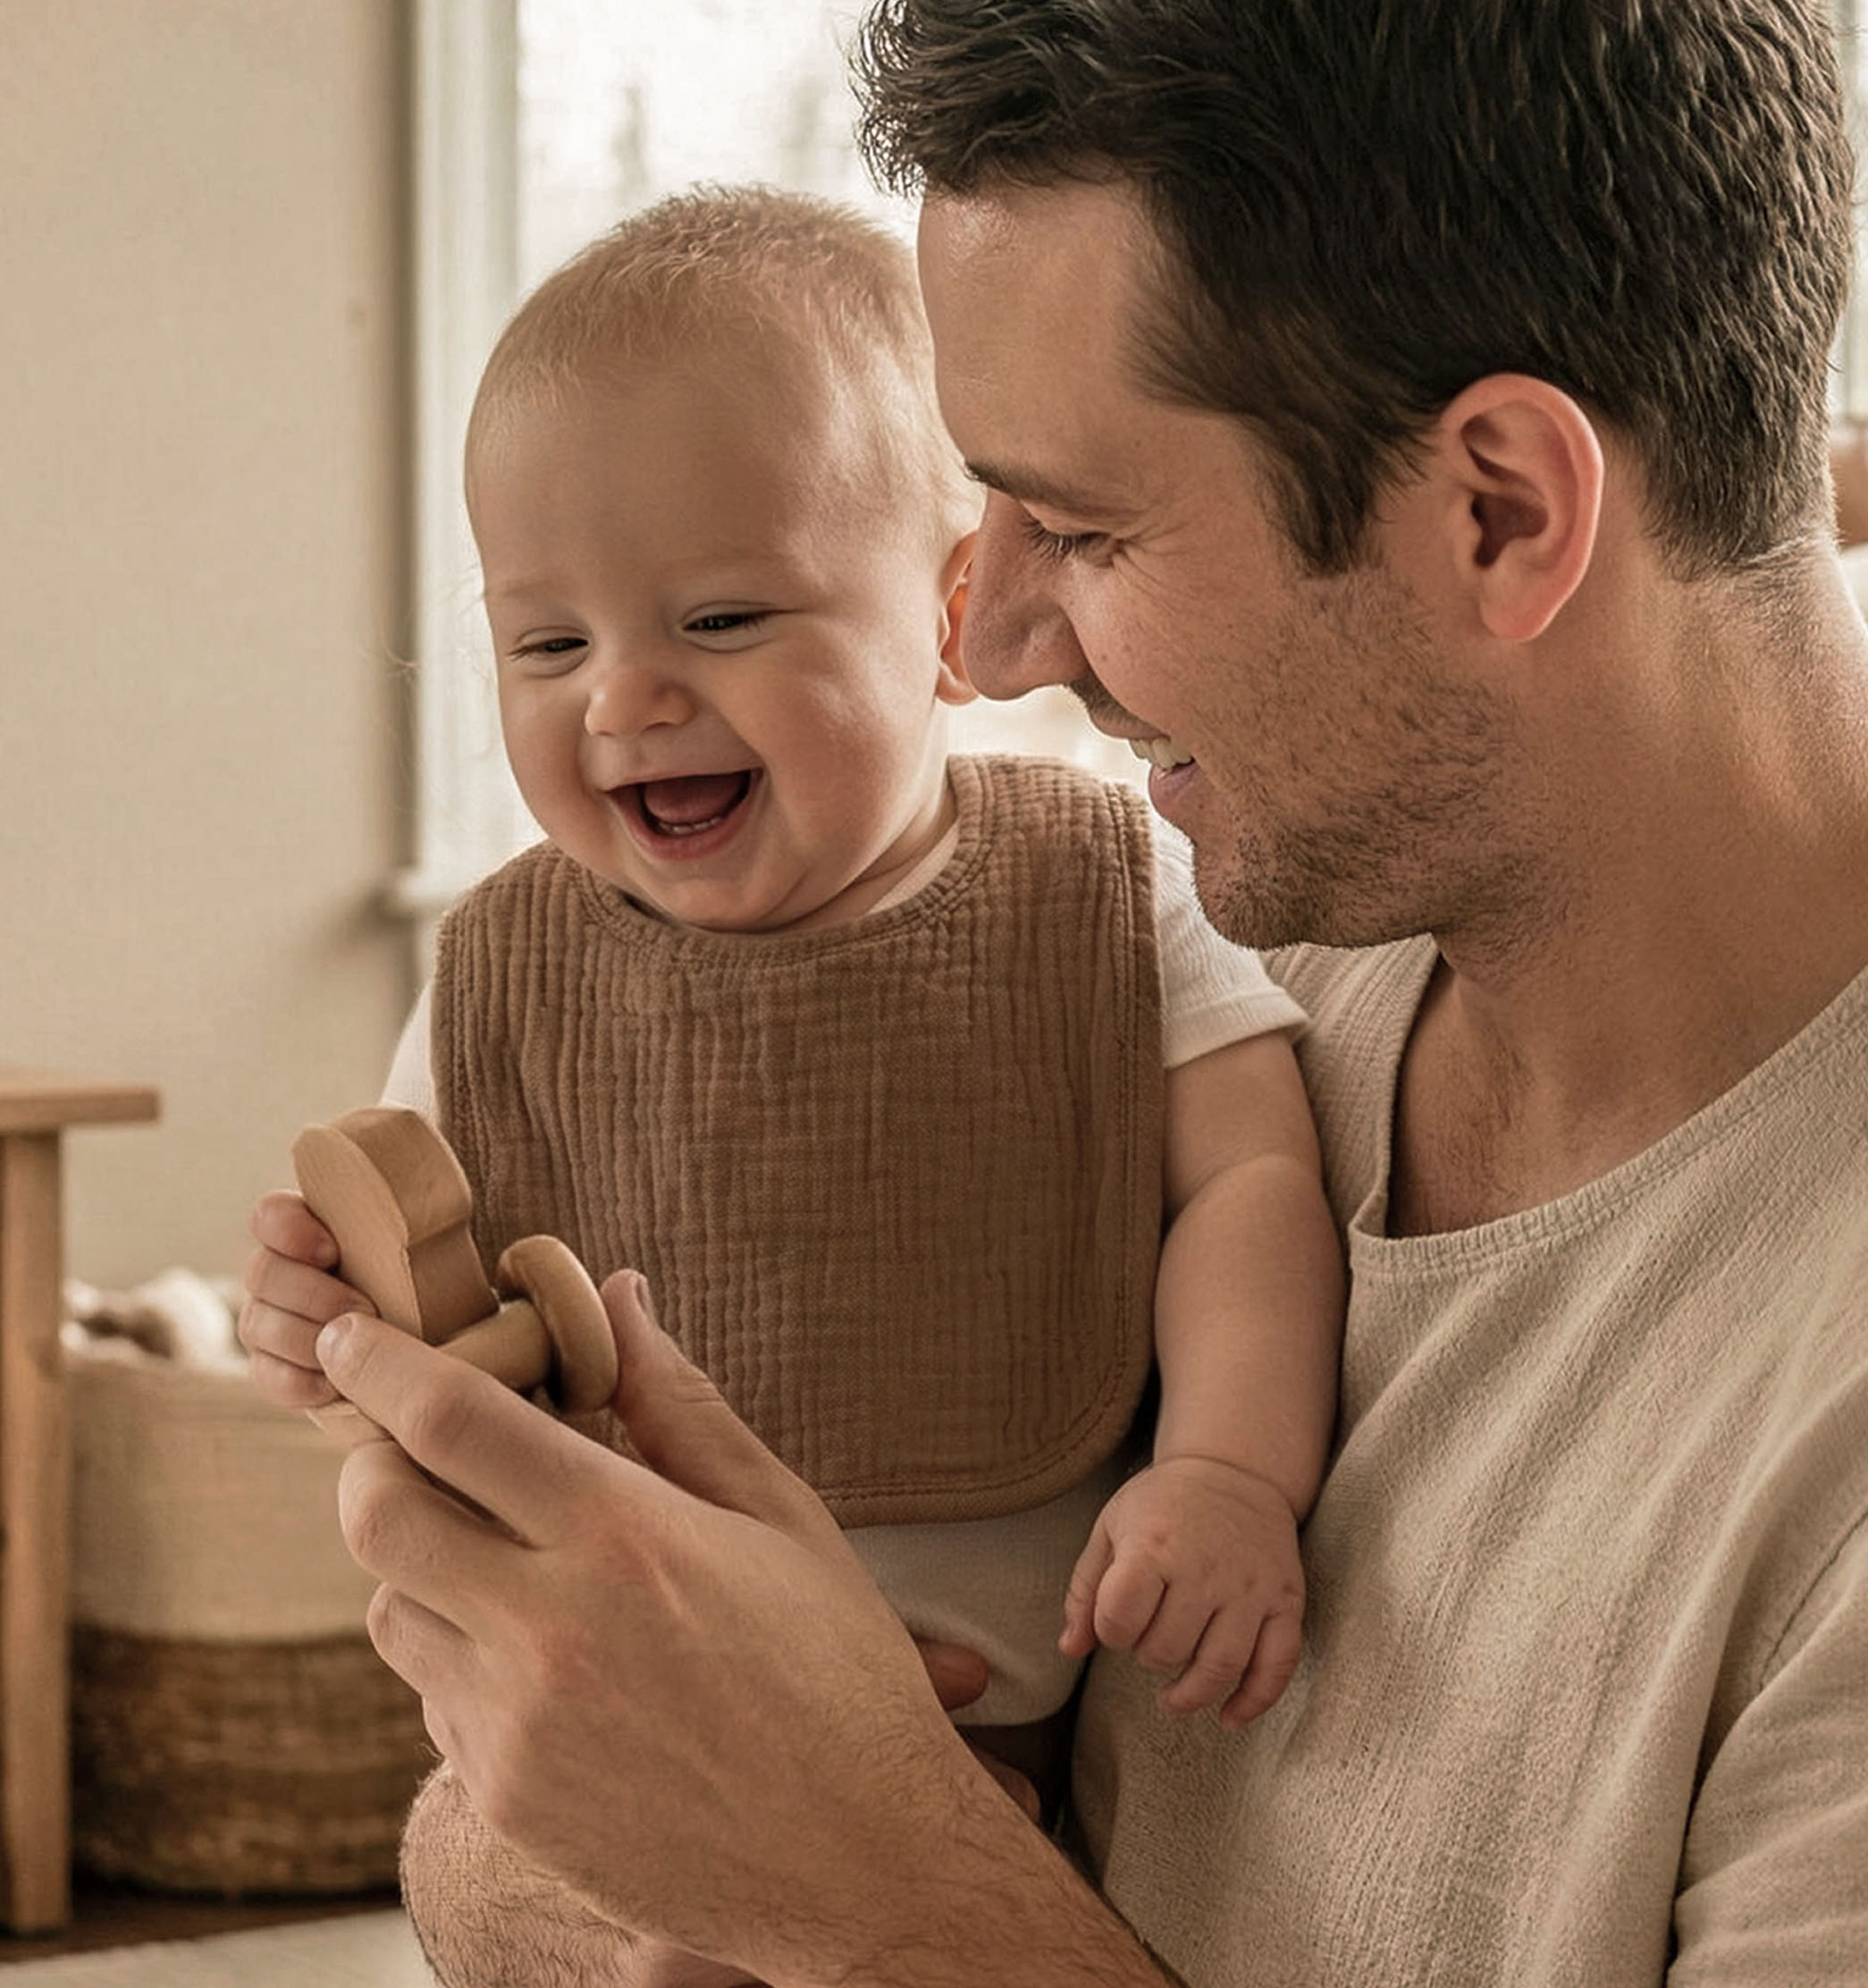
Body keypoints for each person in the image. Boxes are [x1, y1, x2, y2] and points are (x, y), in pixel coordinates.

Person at [308, 0, 1868, 1982]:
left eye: (1081, 529)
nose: (994, 646)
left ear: (1498, 510)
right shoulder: (1243, 939)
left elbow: (842, 1868)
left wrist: (866, 1880)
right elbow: (586, 1809)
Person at [240, 186, 1345, 1974]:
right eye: (548, 644)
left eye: (723, 616)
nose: (624, 699)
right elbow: (434, 1322)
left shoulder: (1100, 894)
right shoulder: (502, 974)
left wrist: (1227, 1467)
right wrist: (320, 1334)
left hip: (1002, 1748)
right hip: (612, 1739)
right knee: (506, 1880)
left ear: (953, 613)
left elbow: (1248, 1179)